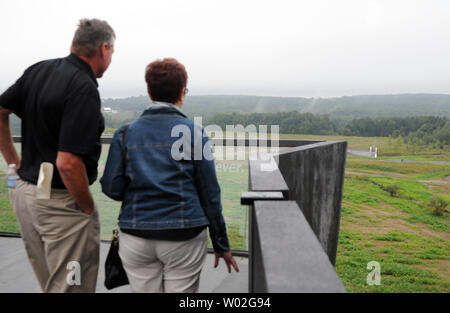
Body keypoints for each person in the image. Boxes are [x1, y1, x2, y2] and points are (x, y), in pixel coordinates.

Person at [100, 58, 239, 293]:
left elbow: (112, 189)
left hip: (135, 234)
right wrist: (221, 244)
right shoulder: (195, 133)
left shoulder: (125, 133)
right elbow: (210, 194)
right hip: (184, 234)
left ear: (148, 90)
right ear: (183, 91)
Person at [0, 18, 115, 292]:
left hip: (29, 192)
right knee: (71, 287)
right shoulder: (83, 87)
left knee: (53, 284)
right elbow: (67, 163)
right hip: (61, 203)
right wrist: (86, 207)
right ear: (104, 49)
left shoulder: (39, 70)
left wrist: (14, 163)